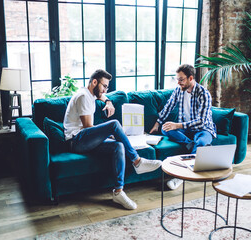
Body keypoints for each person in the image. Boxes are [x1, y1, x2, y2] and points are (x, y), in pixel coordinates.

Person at [64, 69, 162, 210]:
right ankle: (137, 161)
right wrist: (107, 132)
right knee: (114, 124)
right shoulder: (83, 97)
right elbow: (87, 127)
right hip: (76, 141)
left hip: (85, 139)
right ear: (94, 82)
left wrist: (108, 101)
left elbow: (101, 97)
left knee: (118, 146)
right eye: (104, 86)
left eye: (107, 87)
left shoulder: (90, 93)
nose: (105, 90)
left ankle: (118, 192)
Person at [149, 64, 216, 190]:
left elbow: (201, 122)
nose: (179, 82)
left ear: (190, 78)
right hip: (186, 130)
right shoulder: (178, 90)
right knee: (165, 128)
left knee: (201, 141)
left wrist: (178, 125)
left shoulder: (203, 94)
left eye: (181, 79)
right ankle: (191, 144)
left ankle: (182, 177)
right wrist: (157, 124)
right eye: (177, 79)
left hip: (203, 129)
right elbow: (168, 107)